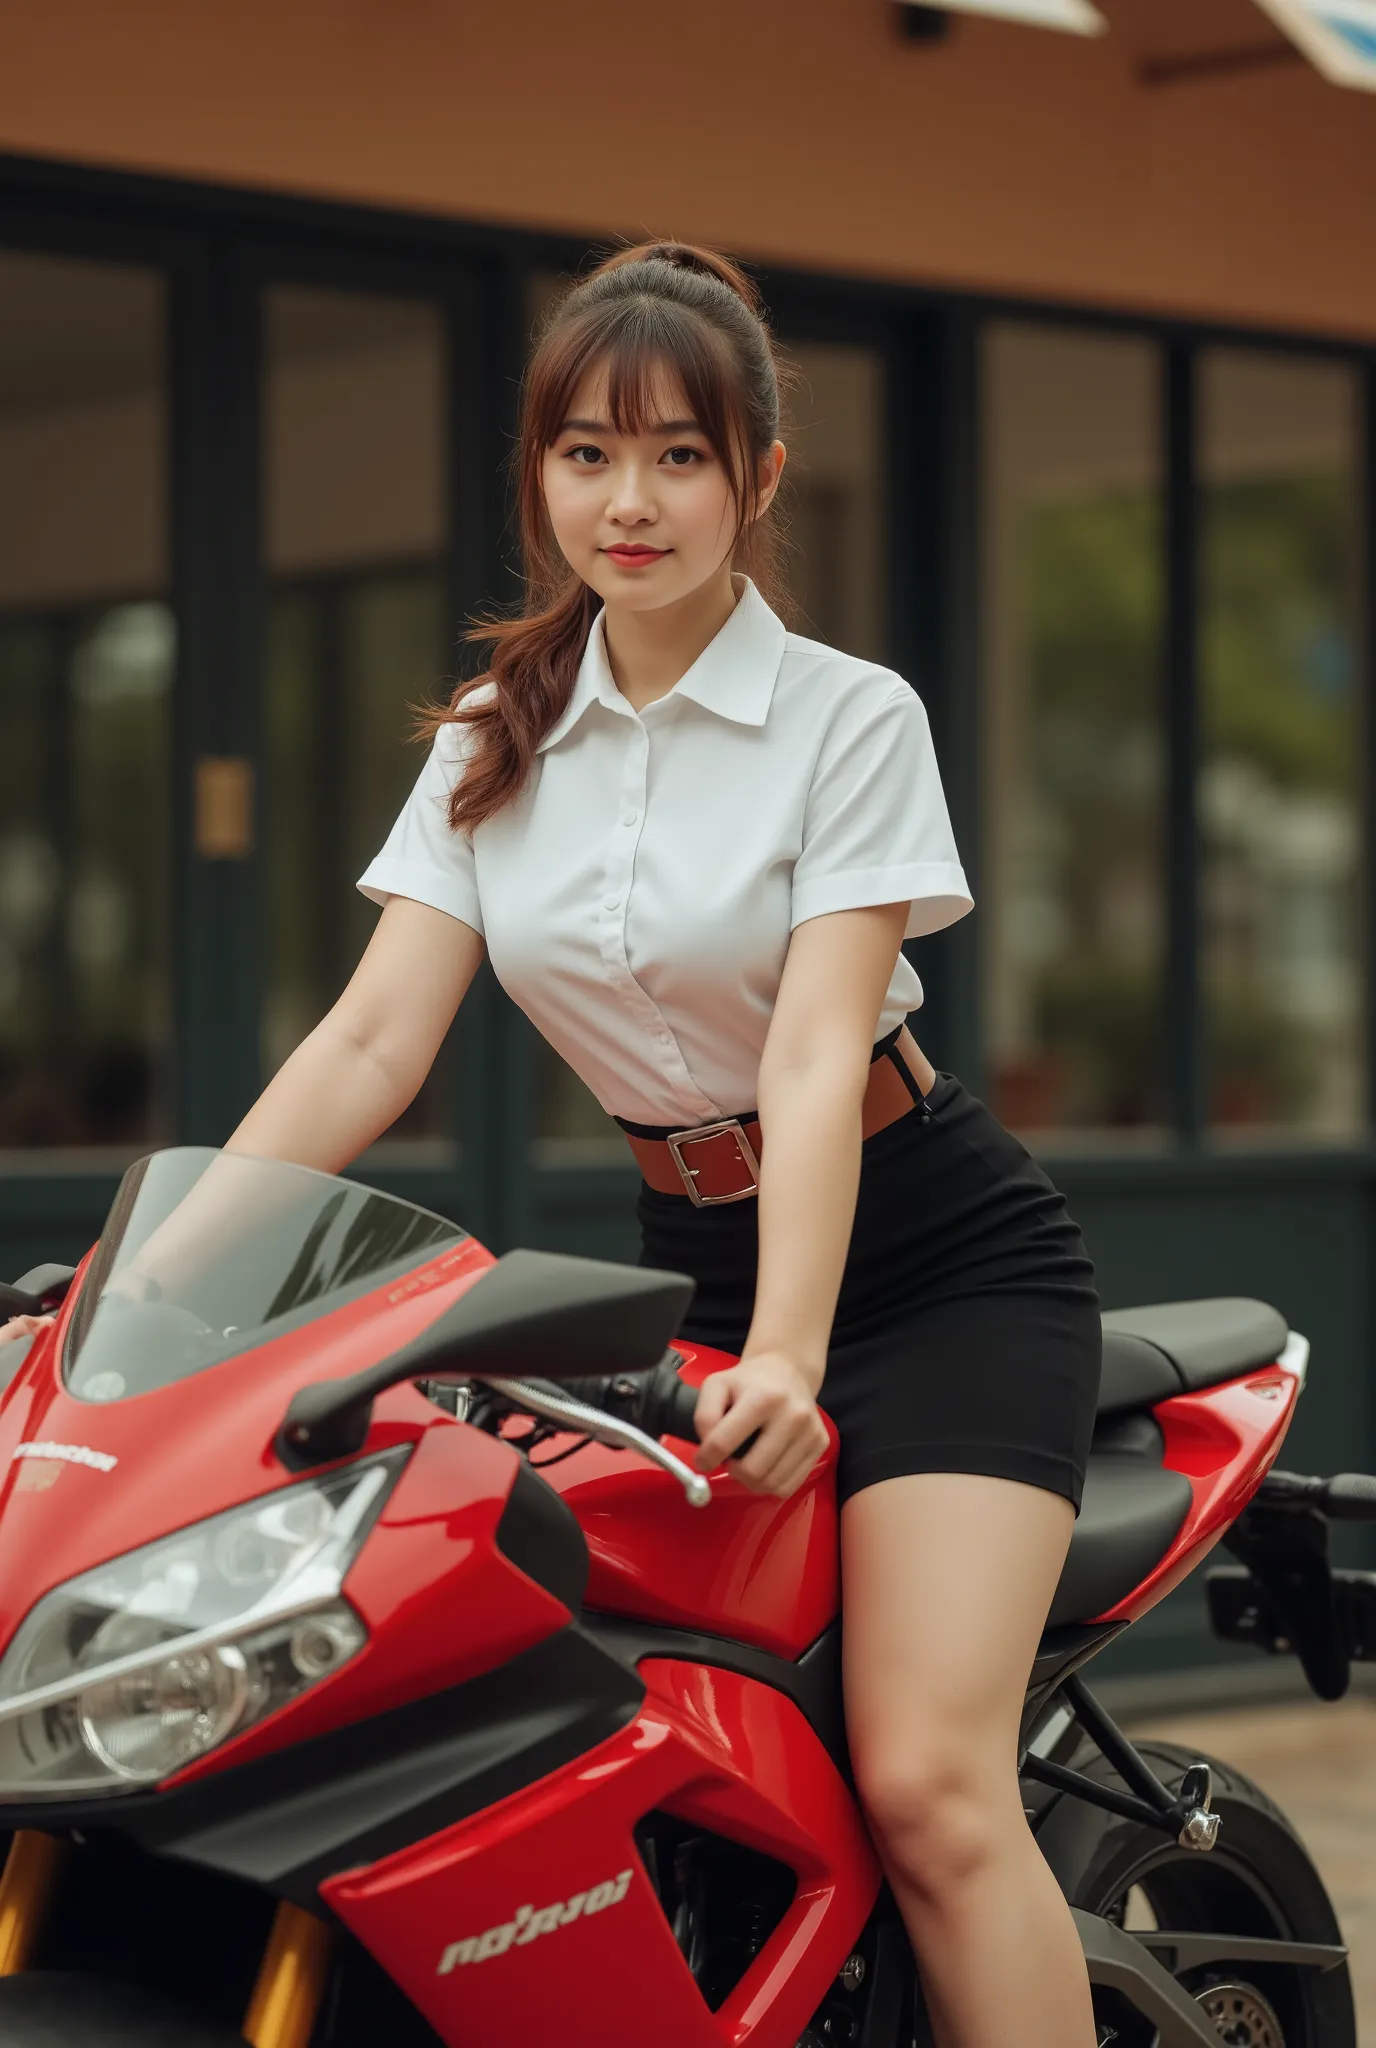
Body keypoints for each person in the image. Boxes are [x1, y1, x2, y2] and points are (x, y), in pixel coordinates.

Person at [2, 241, 1101, 2046]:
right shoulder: (488, 749)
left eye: (680, 454)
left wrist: (794, 1356)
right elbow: (367, 1042)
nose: (631, 499)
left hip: (933, 1266)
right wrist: (135, 1300)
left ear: (758, 476)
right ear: (538, 477)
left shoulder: (850, 719)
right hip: (690, 1263)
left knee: (927, 1790)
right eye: (586, 453)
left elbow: (818, 1056)